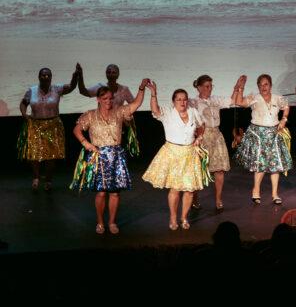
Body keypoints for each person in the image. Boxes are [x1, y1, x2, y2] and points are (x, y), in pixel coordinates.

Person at [72, 80, 148, 234]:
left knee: (114, 192)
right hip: (99, 157)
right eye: (105, 98)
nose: (108, 101)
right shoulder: (90, 115)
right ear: (98, 99)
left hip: (116, 157)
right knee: (101, 192)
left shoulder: (119, 112)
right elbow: (77, 130)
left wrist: (141, 87)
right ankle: (100, 222)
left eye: (111, 98)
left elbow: (136, 104)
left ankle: (112, 222)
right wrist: (86, 144)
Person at [142, 82, 209, 230]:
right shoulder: (168, 112)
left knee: (190, 189)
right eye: (179, 99)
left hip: (190, 153)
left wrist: (199, 137)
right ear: (174, 101)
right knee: (175, 189)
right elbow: (155, 109)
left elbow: (202, 125)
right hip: (173, 153)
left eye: (184, 99)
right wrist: (153, 93)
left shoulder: (193, 112)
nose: (182, 102)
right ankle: (173, 218)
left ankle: (184, 217)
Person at [19, 65, 81, 191]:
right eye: (43, 75)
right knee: (34, 155)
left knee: (51, 156)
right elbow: (23, 103)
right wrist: (25, 115)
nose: (46, 77)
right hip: (35, 125)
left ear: (51, 77)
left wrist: (75, 76)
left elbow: (72, 87)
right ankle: (36, 178)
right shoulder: (32, 90)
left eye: (48, 75)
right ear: (39, 77)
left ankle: (48, 180)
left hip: (53, 125)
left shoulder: (57, 89)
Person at [233, 74, 291, 204]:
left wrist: (284, 119)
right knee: (260, 164)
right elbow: (238, 102)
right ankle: (256, 191)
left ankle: (275, 194)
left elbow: (286, 107)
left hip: (274, 133)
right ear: (258, 86)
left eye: (266, 84)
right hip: (258, 134)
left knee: (275, 165)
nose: (263, 87)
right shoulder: (255, 97)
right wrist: (240, 88)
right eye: (261, 85)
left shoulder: (277, 98)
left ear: (270, 85)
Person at [188, 74, 243, 211]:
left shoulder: (215, 99)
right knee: (199, 170)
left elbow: (231, 101)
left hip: (217, 135)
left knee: (219, 170)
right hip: (202, 136)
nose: (209, 88)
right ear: (199, 87)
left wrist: (237, 87)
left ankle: (218, 199)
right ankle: (194, 198)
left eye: (211, 86)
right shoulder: (193, 102)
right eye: (206, 86)